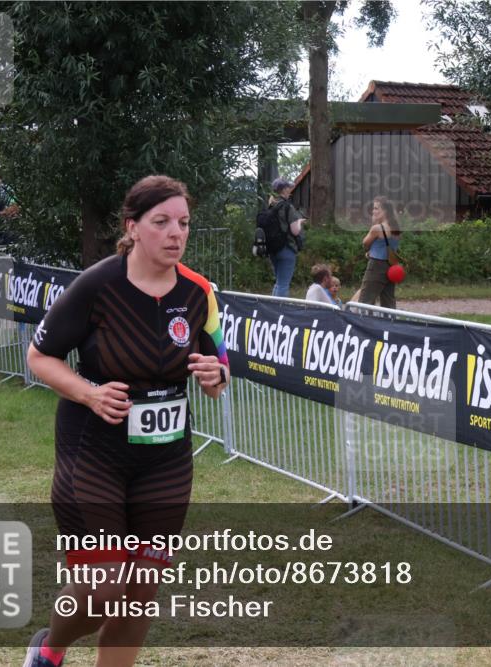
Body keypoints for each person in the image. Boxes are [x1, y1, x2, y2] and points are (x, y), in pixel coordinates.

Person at [24, 175, 229, 667]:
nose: (175, 234)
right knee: (105, 584)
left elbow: (221, 364)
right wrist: (90, 394)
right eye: (161, 223)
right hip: (94, 451)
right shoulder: (97, 284)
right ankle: (49, 649)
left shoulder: (200, 292)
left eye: (183, 223)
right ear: (132, 227)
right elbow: (39, 356)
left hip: (167, 460)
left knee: (141, 587)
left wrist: (214, 375)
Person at [357, 196, 402, 309]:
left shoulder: (377, 228)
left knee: (366, 300)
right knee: (388, 302)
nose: (373, 211)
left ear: (385, 211)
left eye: (376, 208)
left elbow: (365, 243)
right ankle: (390, 324)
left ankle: (364, 324)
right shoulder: (396, 228)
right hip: (392, 267)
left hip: (376, 266)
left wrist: (374, 223)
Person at [265, 177, 306, 297]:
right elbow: (295, 231)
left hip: (272, 249)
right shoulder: (288, 207)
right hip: (286, 249)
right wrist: (299, 221)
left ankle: (273, 308)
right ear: (283, 190)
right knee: (283, 285)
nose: (290, 190)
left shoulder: (271, 206)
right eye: (289, 187)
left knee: (278, 283)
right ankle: (279, 312)